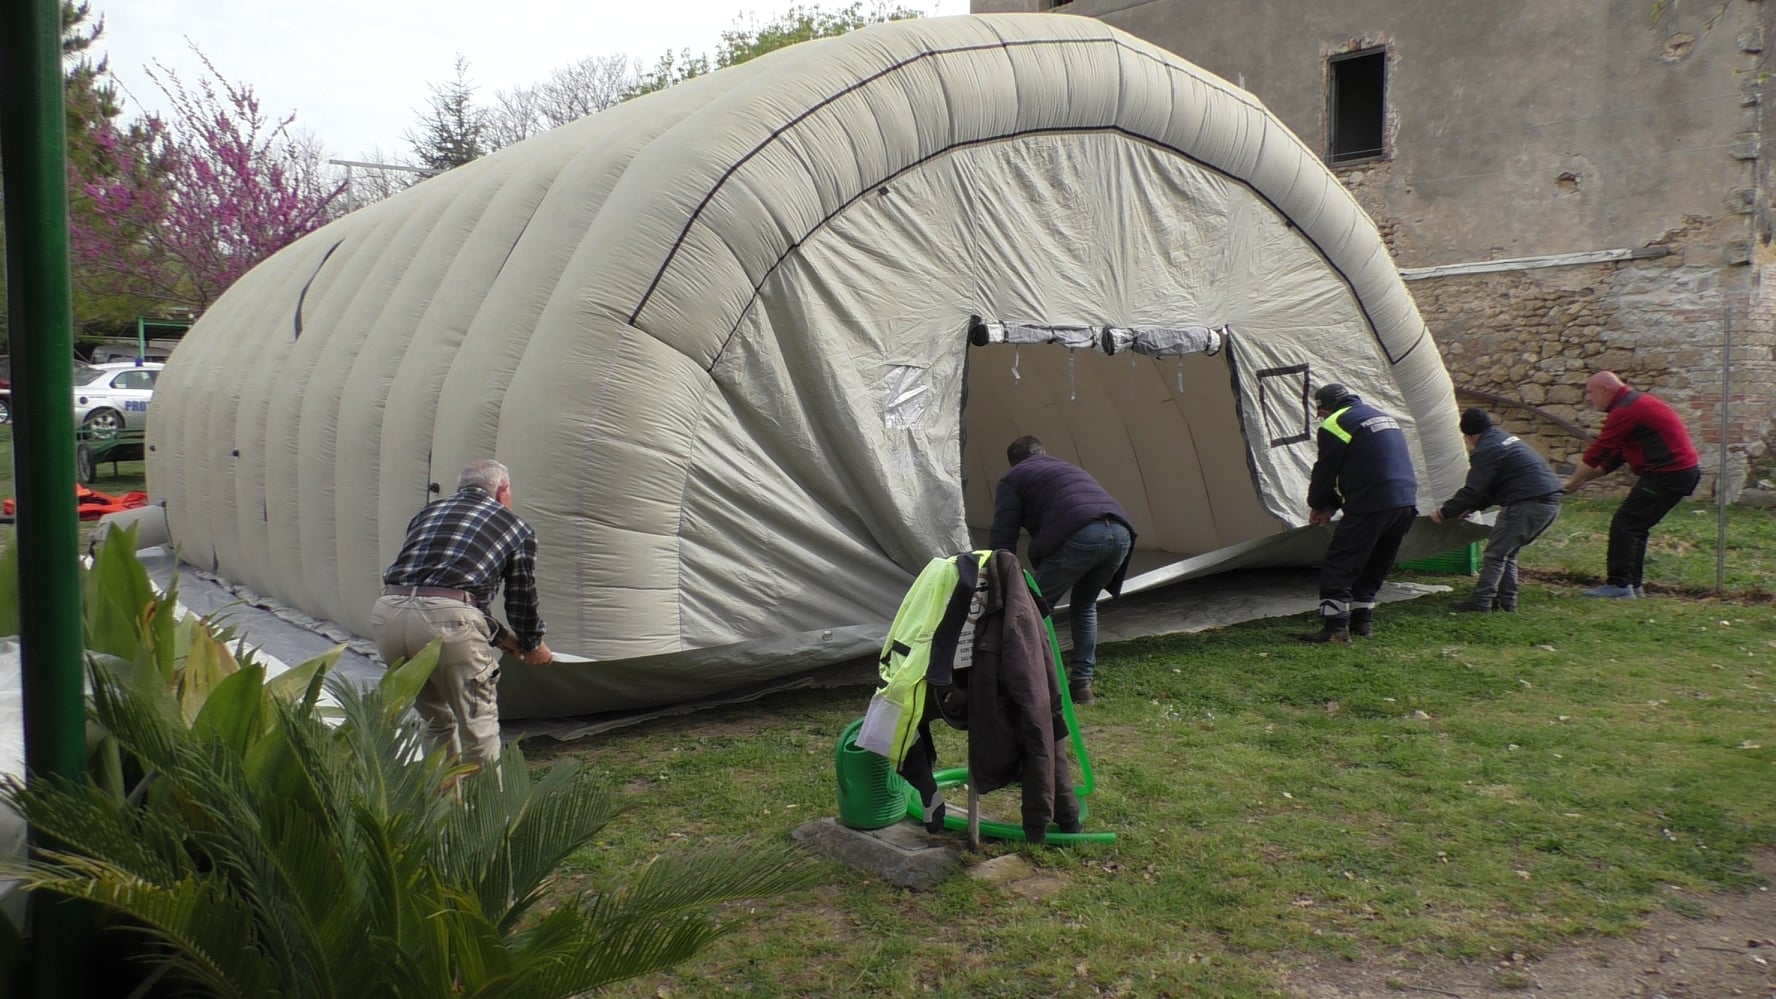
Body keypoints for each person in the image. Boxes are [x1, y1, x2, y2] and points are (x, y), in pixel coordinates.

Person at [372, 459, 553, 770]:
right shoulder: (514, 526)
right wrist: (533, 643)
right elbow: (520, 598)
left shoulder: (427, 514)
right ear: (503, 490)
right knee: (478, 728)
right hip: (450, 622)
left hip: (389, 614)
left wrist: (503, 639)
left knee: (435, 721)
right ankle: (483, 817)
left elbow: (442, 592)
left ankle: (444, 810)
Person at [987, 436, 1135, 705]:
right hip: (1120, 532)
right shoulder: (1069, 468)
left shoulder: (1013, 478)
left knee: (1030, 608)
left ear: (1012, 463)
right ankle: (1082, 683)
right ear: (1043, 452)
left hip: (1081, 534)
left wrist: (996, 572)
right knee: (1085, 606)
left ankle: (1033, 684)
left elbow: (1003, 534)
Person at [1562, 371, 1700, 598]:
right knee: (1635, 526)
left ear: (1606, 390)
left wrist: (1573, 481)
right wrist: (1580, 481)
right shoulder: (1633, 404)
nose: (1589, 398)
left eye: (1591, 392)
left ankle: (1619, 586)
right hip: (1677, 473)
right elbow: (1615, 456)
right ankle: (1633, 586)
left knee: (1625, 524)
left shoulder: (1626, 410)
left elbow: (1600, 450)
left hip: (1667, 474)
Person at [1303, 383, 1419, 643]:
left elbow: (1326, 470)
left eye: (1319, 411)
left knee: (1341, 561)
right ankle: (1361, 622)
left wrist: (1318, 503)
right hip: (1405, 500)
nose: (1320, 417)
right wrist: (1332, 506)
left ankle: (1335, 627)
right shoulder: (1379, 416)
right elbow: (1367, 463)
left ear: (1325, 407)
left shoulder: (1335, 423)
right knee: (1376, 562)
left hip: (1371, 502)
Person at [1430, 408, 1564, 612]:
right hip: (1549, 502)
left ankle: (1481, 602)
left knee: (1495, 555)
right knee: (1507, 553)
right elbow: (1492, 485)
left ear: (1471, 435)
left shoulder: (1487, 449)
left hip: (1526, 504)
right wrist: (1474, 507)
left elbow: (1473, 488)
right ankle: (1507, 602)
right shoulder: (1504, 439)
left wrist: (1444, 512)